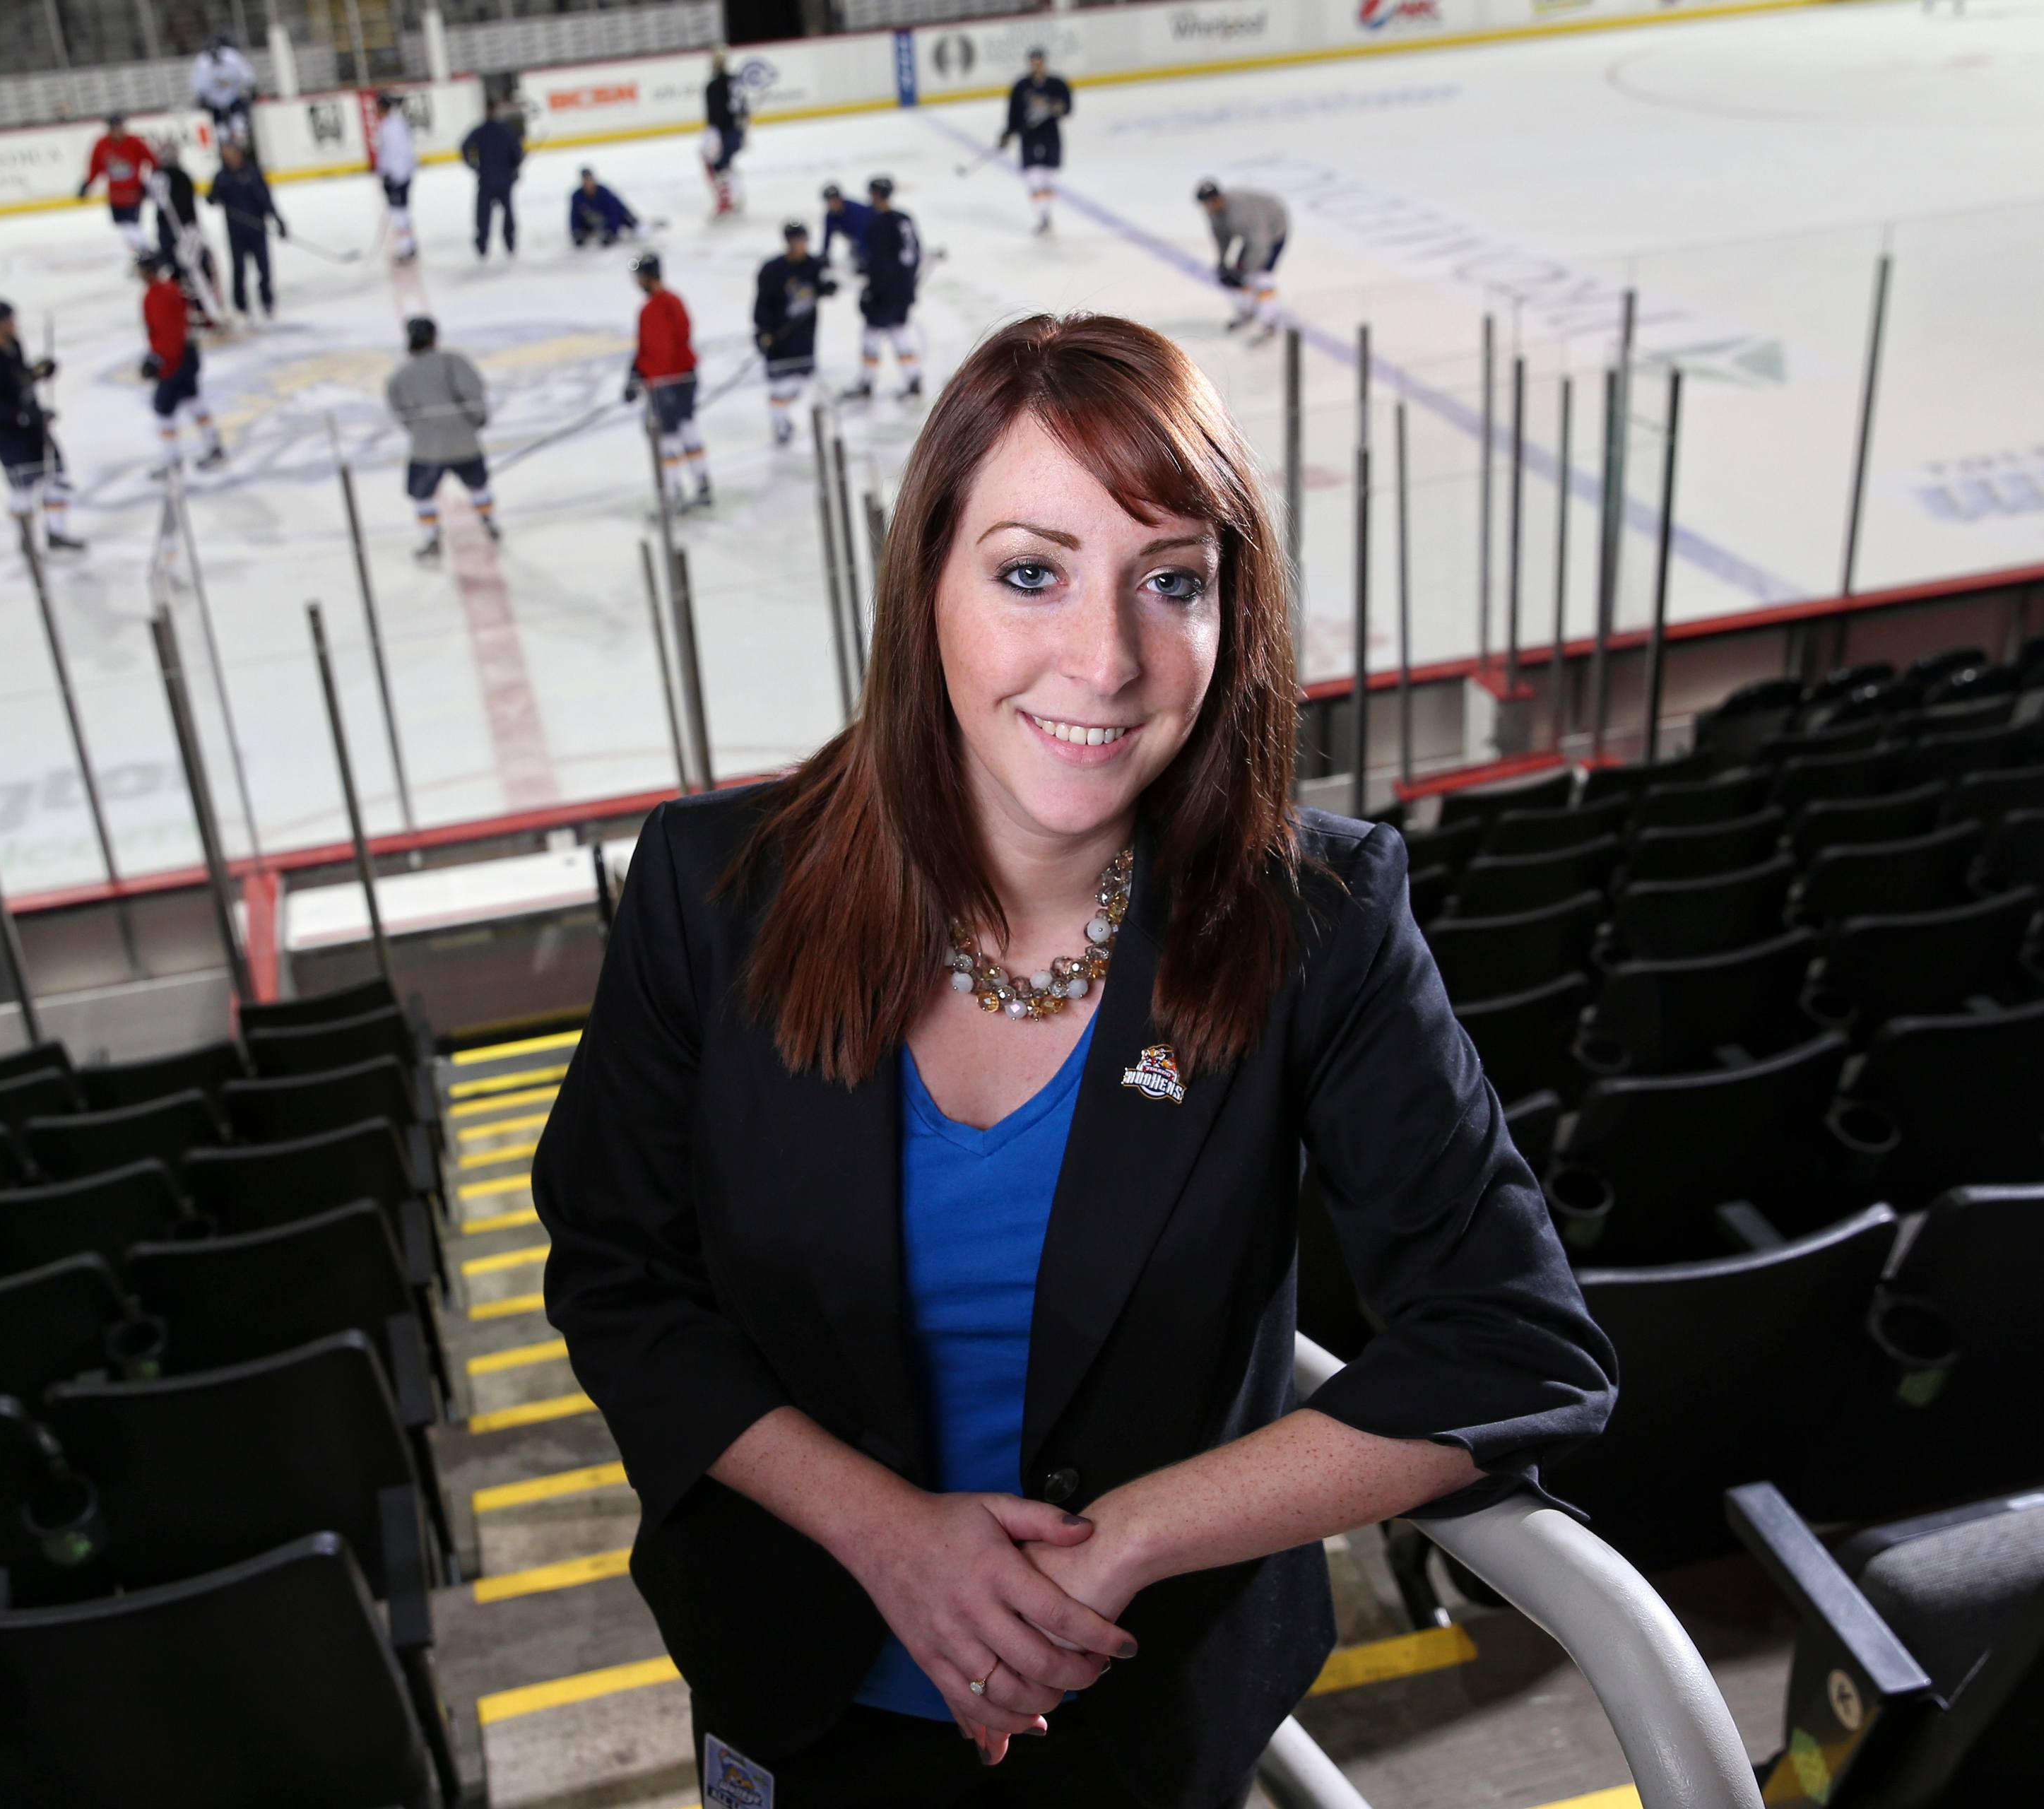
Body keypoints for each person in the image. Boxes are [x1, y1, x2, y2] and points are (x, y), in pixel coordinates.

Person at [533, 311, 1614, 1805]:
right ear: (925, 585)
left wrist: (1129, 1538)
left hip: (1145, 1716)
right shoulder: (710, 891)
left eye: (1167, 580)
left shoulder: (1319, 922)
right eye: (1029, 571)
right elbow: (615, 1273)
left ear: (1234, 609)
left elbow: (1516, 1343)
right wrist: (885, 1532)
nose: (1101, 659)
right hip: (798, 1691)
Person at [386, 314, 498, 562]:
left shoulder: (401, 375)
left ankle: (431, 539)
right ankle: (489, 522)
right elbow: (474, 393)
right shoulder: (454, 362)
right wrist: (476, 420)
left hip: (427, 448)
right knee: (478, 485)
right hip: (463, 441)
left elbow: (400, 411)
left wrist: (421, 431)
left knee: (422, 495)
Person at [0, 299, 81, 551]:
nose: (13, 324)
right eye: (9, 320)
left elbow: (20, 381)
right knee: (23, 490)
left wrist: (37, 374)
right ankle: (27, 539)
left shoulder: (14, 346)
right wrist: (22, 416)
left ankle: (56, 533)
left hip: (33, 430)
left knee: (55, 478)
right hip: (9, 438)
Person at [626, 252, 709, 512]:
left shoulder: (654, 309)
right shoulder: (673, 301)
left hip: (667, 383)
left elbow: (659, 351)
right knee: (687, 430)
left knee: (668, 439)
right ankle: (702, 483)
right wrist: (636, 372)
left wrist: (643, 376)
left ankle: (674, 494)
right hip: (683, 377)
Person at [139, 252, 225, 474]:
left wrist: (159, 361)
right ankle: (214, 447)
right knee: (193, 401)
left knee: (163, 410)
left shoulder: (157, 295)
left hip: (175, 361)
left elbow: (170, 334)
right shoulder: (170, 289)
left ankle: (172, 461)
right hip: (187, 356)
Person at [754, 220, 834, 447]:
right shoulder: (772, 270)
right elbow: (762, 305)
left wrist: (826, 288)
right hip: (778, 341)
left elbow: (823, 284)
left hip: (804, 338)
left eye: (804, 240)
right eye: (798, 241)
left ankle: (783, 420)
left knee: (802, 384)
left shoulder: (813, 265)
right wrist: (762, 332)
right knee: (779, 388)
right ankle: (781, 426)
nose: (802, 245)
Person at [846, 176, 921, 402]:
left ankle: (867, 383)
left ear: (876, 195)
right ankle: (914, 379)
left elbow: (880, 263)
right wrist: (907, 286)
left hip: (885, 292)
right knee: (899, 332)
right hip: (903, 290)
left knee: (871, 336)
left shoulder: (879, 224)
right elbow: (915, 255)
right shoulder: (904, 219)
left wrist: (873, 289)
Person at [1196, 179, 1288, 339]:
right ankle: (1247, 313)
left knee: (1262, 279)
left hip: (1273, 232)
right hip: (1256, 236)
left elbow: (1260, 244)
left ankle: (1270, 322)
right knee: (1238, 279)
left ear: (1218, 199)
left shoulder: (1241, 213)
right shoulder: (1214, 213)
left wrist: (1245, 269)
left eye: (1208, 203)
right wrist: (1222, 261)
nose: (1206, 208)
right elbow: (1222, 237)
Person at [208, 141, 286, 321]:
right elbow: (211, 199)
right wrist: (215, 197)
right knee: (239, 269)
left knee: (264, 268)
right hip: (236, 232)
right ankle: (241, 305)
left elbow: (266, 198)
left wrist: (277, 219)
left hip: (257, 228)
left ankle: (267, 301)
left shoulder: (253, 172)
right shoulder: (222, 176)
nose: (229, 156)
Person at [997, 49, 1072, 236]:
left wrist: (1053, 107)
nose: (1037, 65)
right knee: (1032, 176)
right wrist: (1007, 133)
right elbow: (1013, 114)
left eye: (1039, 62)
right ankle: (1043, 217)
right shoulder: (1021, 86)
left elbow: (1067, 108)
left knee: (1050, 175)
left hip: (1050, 134)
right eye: (1034, 62)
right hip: (1029, 136)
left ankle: (1046, 214)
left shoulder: (1057, 84)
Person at [149, 143, 220, 326]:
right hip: (181, 234)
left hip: (183, 235)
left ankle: (199, 311)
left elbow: (180, 208)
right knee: (189, 274)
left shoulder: (172, 178)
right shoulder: (164, 178)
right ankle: (197, 311)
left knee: (189, 274)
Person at [79, 114, 158, 260]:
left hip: (134, 192)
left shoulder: (134, 142)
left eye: (119, 127)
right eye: (114, 128)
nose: (117, 131)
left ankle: (145, 253)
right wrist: (88, 184)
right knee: (124, 226)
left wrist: (153, 181)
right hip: (115, 195)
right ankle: (140, 255)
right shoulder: (102, 144)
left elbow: (152, 160)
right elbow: (95, 166)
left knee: (132, 225)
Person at [460, 103, 524, 260]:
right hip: (492, 179)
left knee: (503, 214)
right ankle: (485, 245)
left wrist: (514, 167)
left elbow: (516, 151)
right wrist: (475, 167)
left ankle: (506, 244)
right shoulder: (489, 131)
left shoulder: (501, 130)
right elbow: (518, 152)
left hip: (497, 179)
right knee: (485, 215)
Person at [702, 48, 748, 220]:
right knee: (725, 165)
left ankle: (728, 200)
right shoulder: (734, 82)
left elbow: (714, 115)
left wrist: (714, 135)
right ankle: (734, 198)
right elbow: (743, 109)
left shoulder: (713, 86)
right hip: (733, 130)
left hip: (723, 132)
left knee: (720, 166)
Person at [191, 31, 257, 148]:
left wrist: (252, 89)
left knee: (239, 124)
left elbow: (247, 74)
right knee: (221, 132)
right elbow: (198, 86)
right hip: (214, 101)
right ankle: (226, 148)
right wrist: (202, 100)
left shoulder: (232, 58)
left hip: (233, 96)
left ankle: (242, 147)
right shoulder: (203, 63)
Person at [374, 92, 418, 264]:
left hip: (397, 177)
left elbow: (398, 154)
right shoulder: (393, 125)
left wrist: (392, 176)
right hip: (399, 175)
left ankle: (407, 248)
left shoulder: (392, 128)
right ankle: (409, 245)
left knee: (399, 213)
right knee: (401, 213)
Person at [569, 167, 639, 248]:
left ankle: (635, 224)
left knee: (630, 220)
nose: (589, 183)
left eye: (590, 179)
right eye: (586, 180)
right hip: (593, 223)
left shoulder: (604, 192)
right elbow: (574, 216)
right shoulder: (577, 196)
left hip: (609, 220)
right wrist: (577, 232)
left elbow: (616, 211)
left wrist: (612, 231)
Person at [820, 181, 872, 273]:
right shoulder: (831, 216)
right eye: (830, 201)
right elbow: (828, 236)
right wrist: (825, 255)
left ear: (840, 199)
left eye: (835, 200)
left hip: (871, 232)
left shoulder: (854, 211)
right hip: (856, 238)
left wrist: (865, 260)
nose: (832, 204)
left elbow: (863, 235)